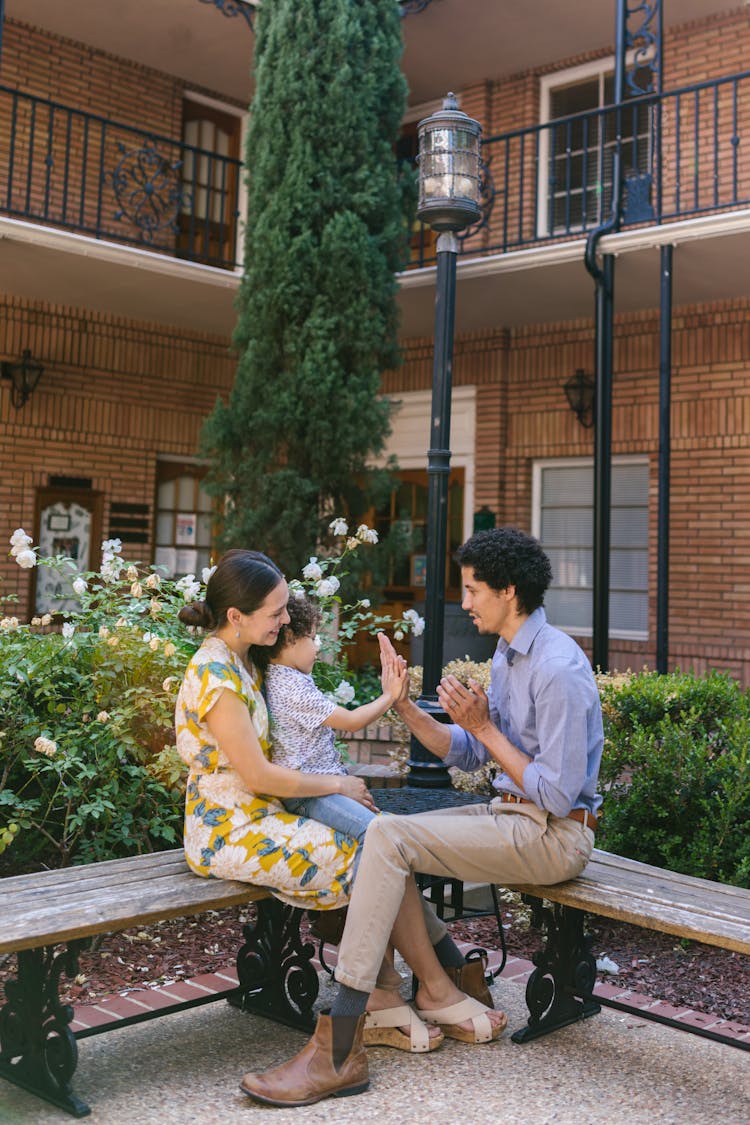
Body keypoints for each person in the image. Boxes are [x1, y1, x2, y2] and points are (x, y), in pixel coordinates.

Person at [240, 527, 603, 1107]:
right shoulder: (511, 656)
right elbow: (467, 751)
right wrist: (405, 702)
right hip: (511, 817)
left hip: (554, 836)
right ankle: (430, 989)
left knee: (385, 834)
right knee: (387, 836)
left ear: (508, 591)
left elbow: (557, 795)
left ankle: (341, 1042)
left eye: (472, 590)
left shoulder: (557, 668)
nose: (464, 603)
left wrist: (484, 727)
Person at [176, 548, 490, 1061]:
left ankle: (400, 989)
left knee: (381, 843)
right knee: (377, 851)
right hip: (228, 829)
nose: (285, 620)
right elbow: (255, 774)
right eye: (276, 612)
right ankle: (423, 986)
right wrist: (338, 786)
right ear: (236, 616)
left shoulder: (242, 659)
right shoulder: (216, 675)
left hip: (267, 813)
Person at [251, 591, 404, 872]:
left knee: (387, 832)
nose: (317, 647)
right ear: (289, 640)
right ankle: (351, 907)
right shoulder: (291, 688)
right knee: (377, 833)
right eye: (313, 638)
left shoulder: (285, 678)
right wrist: (389, 696)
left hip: (319, 789)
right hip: (310, 795)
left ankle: (342, 913)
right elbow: (352, 721)